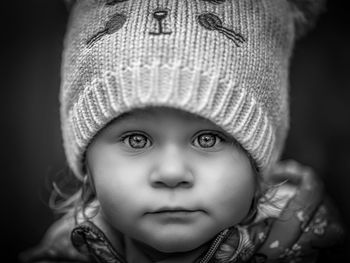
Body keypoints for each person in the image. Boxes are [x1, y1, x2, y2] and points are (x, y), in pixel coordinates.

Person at [20, 0, 345, 262]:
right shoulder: (63, 253)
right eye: (137, 139)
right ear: (87, 163)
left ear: (258, 161)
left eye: (208, 138)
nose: (172, 172)